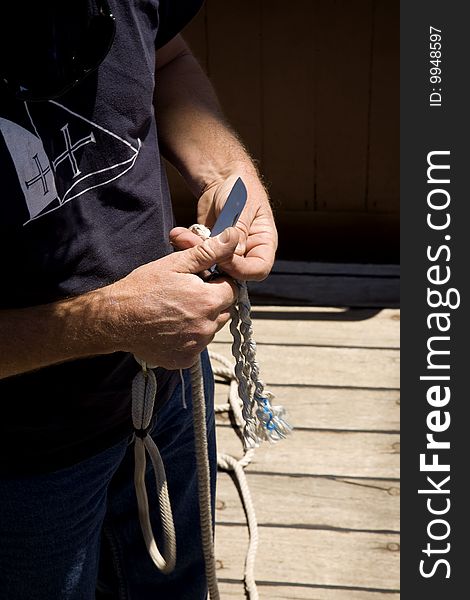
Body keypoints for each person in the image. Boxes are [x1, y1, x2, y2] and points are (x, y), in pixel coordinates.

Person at [0, 1, 277, 598]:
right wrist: (108, 322)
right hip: (22, 461)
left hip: (167, 384)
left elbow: (166, 57)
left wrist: (226, 172)